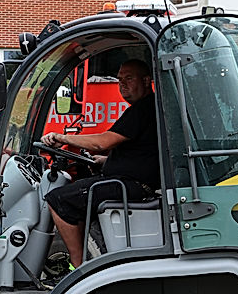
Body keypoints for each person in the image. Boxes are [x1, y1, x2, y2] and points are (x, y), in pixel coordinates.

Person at [42, 59, 159, 267]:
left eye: (129, 78)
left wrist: (62, 137)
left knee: (58, 200)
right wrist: (107, 160)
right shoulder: (147, 108)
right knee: (77, 195)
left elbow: (102, 142)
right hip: (132, 180)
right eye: (120, 79)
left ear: (147, 80)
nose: (122, 84)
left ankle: (78, 269)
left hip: (131, 185)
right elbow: (141, 150)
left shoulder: (142, 109)